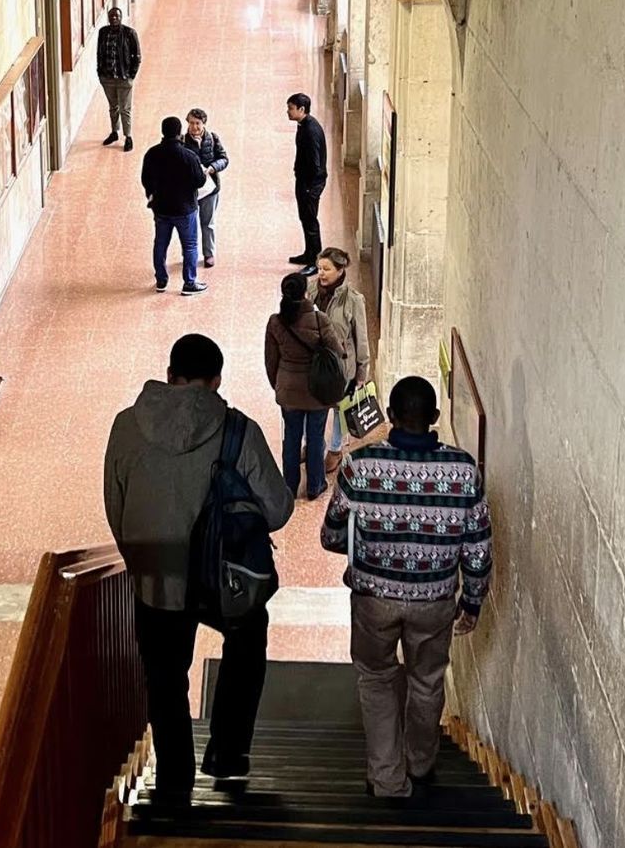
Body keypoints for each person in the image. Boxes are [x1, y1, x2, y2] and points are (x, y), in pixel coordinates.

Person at [104, 334, 294, 804]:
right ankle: (228, 753)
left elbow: (116, 504)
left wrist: (141, 560)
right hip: (222, 578)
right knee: (248, 639)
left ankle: (174, 781)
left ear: (170, 376)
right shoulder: (238, 430)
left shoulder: (126, 426)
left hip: (154, 580)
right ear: (216, 381)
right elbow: (278, 509)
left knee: (165, 677)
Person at [320, 376, 493, 799]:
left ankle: (387, 780)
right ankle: (420, 762)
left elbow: (330, 535)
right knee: (427, 679)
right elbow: (478, 547)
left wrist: (365, 548)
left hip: (373, 600)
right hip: (434, 600)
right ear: (434, 418)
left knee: (377, 679)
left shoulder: (359, 467)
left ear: (391, 416)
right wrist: (471, 602)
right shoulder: (463, 470)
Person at [264, 273, 344, 499]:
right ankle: (315, 485)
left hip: (289, 390)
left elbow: (271, 360)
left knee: (291, 437)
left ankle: (288, 485)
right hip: (317, 391)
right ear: (306, 294)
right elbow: (337, 351)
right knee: (316, 437)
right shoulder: (320, 320)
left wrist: (279, 385)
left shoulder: (275, 322)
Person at [313, 247, 371, 477]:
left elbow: (362, 338)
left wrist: (361, 371)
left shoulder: (354, 300)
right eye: (319, 268)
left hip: (341, 366)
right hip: (316, 362)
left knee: (340, 408)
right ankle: (312, 445)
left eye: (327, 269)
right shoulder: (310, 290)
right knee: (315, 405)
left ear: (340, 271)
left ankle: (335, 449)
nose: (321, 274)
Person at [141, 116, 208, 294]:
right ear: (179, 133)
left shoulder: (152, 153)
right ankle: (189, 283)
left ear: (163, 132)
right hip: (185, 209)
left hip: (161, 209)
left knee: (160, 244)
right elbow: (200, 181)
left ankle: (161, 281)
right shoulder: (189, 156)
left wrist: (152, 195)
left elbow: (145, 179)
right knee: (190, 246)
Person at [181, 108, 230, 268]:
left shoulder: (212, 139)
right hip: (190, 191)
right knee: (190, 223)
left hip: (210, 189)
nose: (194, 127)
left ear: (204, 124)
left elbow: (223, 159)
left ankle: (208, 253)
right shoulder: (182, 141)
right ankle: (190, 253)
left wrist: (211, 168)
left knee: (208, 222)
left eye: (197, 123)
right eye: (191, 123)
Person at [286, 93, 327, 265]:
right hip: (304, 181)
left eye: (291, 108)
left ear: (302, 109)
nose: (288, 112)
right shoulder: (303, 125)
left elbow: (315, 164)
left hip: (310, 184)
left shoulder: (310, 130)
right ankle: (309, 253)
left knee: (310, 221)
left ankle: (315, 261)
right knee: (305, 218)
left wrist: (310, 188)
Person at [97, 6, 141, 152]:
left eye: (116, 16)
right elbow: (100, 53)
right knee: (113, 107)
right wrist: (100, 72)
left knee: (125, 108)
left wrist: (131, 75)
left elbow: (137, 56)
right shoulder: (103, 32)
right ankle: (114, 132)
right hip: (107, 78)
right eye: (111, 16)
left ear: (121, 18)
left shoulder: (129, 33)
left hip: (123, 78)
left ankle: (128, 137)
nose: (114, 18)